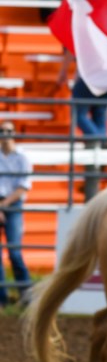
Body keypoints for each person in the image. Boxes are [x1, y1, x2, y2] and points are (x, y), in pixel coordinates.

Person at [0, 122, 32, 307]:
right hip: (4, 203)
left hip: (12, 203)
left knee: (14, 252)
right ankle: (2, 298)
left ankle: (26, 294)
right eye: (2, 131)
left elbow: (23, 188)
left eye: (8, 131)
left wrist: (3, 206)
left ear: (14, 133)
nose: (5, 134)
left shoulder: (23, 157)